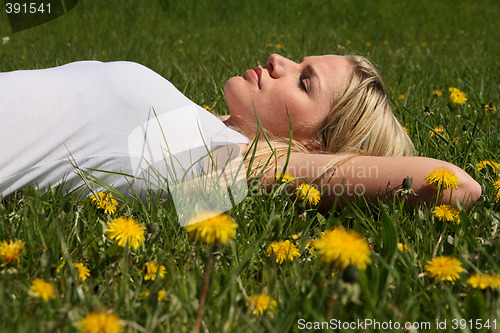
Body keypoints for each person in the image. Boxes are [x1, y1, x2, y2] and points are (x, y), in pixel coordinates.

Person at [0, 54, 481, 212]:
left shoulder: (229, 166)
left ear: (313, 146)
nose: (278, 61)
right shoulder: (204, 129)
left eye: (304, 81)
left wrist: (306, 170)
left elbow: (457, 184)